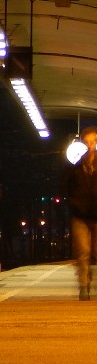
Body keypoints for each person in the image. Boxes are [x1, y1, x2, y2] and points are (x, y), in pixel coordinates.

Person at [63, 125, 97, 300]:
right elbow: (65, 186)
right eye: (87, 142)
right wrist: (74, 202)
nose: (90, 145)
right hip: (80, 215)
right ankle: (84, 286)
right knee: (83, 251)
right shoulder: (74, 166)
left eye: (93, 142)